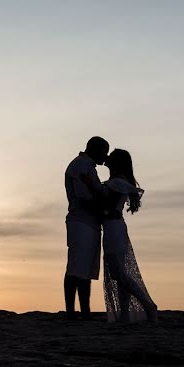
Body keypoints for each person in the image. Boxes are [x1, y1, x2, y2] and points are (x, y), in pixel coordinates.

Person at [99, 149, 157, 323]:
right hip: (114, 228)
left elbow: (107, 207)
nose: (107, 157)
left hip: (113, 228)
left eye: (111, 156)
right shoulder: (116, 182)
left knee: (118, 273)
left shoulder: (117, 183)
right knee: (119, 272)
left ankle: (147, 304)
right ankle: (125, 314)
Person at [63, 136, 109, 320]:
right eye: (104, 152)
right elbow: (84, 197)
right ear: (95, 149)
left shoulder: (86, 166)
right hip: (81, 220)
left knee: (86, 268)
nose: (105, 157)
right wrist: (104, 209)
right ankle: (71, 311)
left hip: (89, 222)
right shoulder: (80, 166)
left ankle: (84, 310)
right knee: (76, 267)